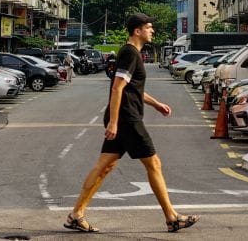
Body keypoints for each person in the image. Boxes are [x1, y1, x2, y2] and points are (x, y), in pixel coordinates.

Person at [64, 13, 198, 234]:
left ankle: (76, 214)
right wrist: (114, 123)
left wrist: (156, 104)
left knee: (104, 166)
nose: (152, 31)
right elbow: (117, 88)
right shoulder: (130, 53)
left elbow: (133, 88)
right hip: (127, 119)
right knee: (153, 164)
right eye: (148, 27)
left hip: (125, 117)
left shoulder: (131, 53)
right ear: (138, 31)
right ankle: (172, 217)